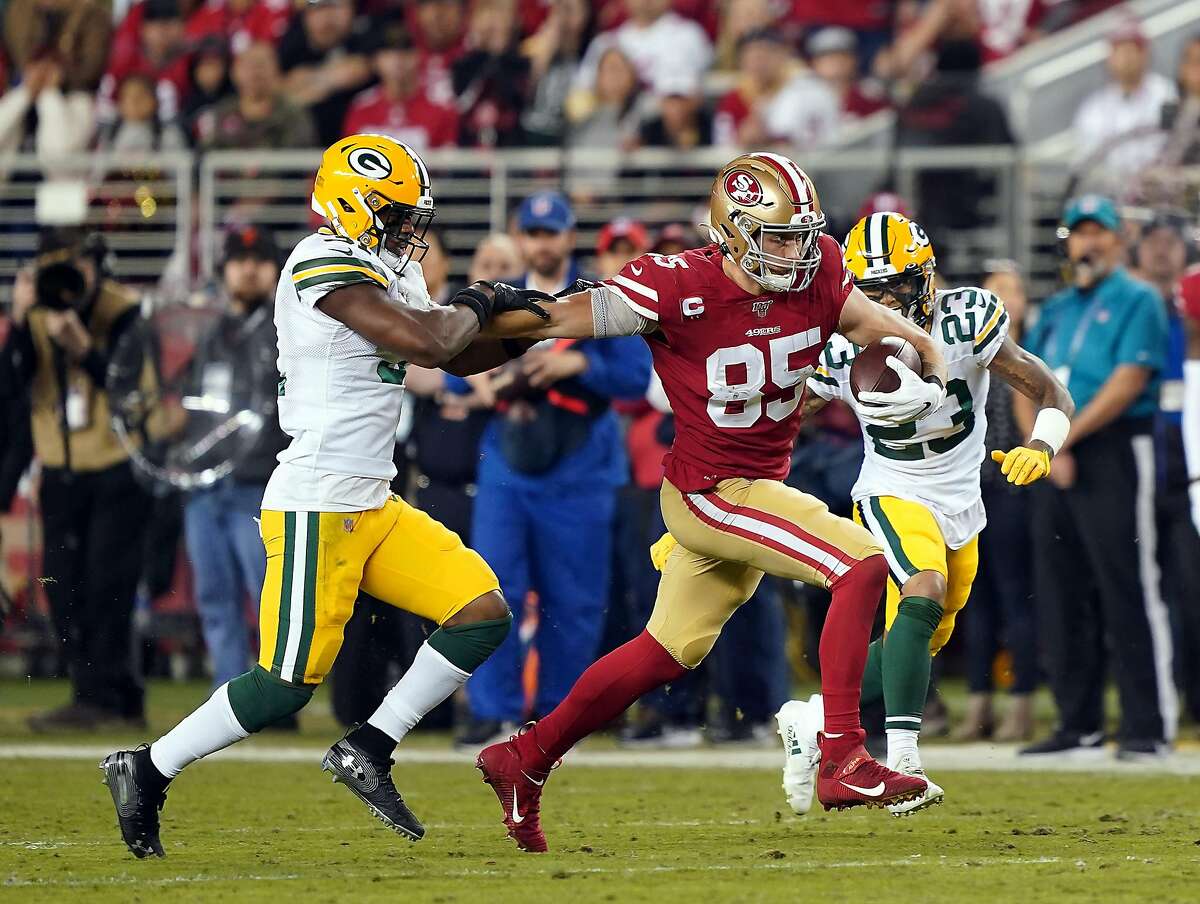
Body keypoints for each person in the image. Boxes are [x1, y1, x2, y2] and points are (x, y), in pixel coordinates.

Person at [476, 152, 949, 852]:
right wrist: (475, 321)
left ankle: (525, 757)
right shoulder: (678, 285)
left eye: (799, 236)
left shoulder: (818, 267)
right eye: (776, 238)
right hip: (710, 492)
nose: (793, 252)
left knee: (666, 651)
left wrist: (922, 362)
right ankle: (844, 756)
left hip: (748, 487)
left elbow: (875, 325)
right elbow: (566, 317)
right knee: (862, 567)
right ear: (731, 232)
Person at [99, 134, 555, 858]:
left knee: (480, 615)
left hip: (371, 499)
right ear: (351, 202)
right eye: (396, 212)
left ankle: (370, 745)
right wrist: (478, 300)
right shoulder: (320, 259)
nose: (409, 228)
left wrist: (536, 324)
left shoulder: (383, 266)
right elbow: (431, 342)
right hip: (319, 499)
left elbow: (458, 350)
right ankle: (146, 769)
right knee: (284, 685)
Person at [775, 212, 1072, 816]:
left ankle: (810, 721)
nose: (884, 302)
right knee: (923, 589)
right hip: (890, 488)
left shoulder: (968, 319)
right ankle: (903, 757)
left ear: (927, 277)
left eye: (896, 285)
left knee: (925, 634)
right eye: (870, 290)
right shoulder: (840, 343)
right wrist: (716, 492)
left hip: (963, 498)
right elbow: (775, 418)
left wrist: (1042, 445)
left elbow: (1050, 391)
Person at [456, 192, 653, 745]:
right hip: (509, 465)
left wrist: (578, 361)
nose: (543, 244)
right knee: (492, 592)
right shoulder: (493, 299)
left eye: (553, 233)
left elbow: (636, 378)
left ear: (569, 237)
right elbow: (448, 365)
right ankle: (492, 712)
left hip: (581, 469)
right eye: (534, 233)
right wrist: (484, 379)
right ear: (521, 237)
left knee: (575, 600)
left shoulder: (602, 297)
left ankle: (557, 717)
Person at [1021, 195, 1174, 760]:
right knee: (1061, 590)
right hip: (1053, 452)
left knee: (1127, 583)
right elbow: (1025, 379)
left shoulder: (1139, 299)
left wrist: (1062, 438)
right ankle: (1076, 722)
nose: (1088, 244)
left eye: (1098, 234)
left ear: (1120, 239)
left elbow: (1128, 381)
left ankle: (1146, 726)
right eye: (1079, 234)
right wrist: (1040, 444)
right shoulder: (1058, 307)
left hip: (1110, 449)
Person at [0, 229, 151, 731]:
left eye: (76, 267)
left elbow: (135, 391)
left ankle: (108, 697)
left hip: (116, 470)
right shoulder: (35, 315)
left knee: (108, 587)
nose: (66, 280)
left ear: (96, 266)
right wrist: (20, 324)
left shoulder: (125, 310)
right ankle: (105, 695)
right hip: (60, 475)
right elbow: (11, 392)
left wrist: (85, 349)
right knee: (62, 589)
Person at [183, 226, 290, 689]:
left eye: (259, 259)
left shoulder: (288, 327)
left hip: (258, 483)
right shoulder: (209, 332)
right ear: (223, 270)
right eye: (238, 259)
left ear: (275, 270)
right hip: (208, 485)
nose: (248, 268)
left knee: (266, 594)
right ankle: (228, 693)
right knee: (214, 595)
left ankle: (272, 694)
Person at [955, 262, 1041, 742]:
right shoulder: (968, 350)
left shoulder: (1030, 355)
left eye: (1013, 289)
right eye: (995, 291)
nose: (1005, 297)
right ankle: (978, 703)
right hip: (972, 486)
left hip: (1013, 488)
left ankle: (1022, 703)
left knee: (1014, 595)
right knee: (975, 598)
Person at [1142, 222, 1200, 723]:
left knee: (1189, 589)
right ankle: (1157, 700)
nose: (1162, 251)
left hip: (1186, 466)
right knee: (1146, 590)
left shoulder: (1191, 304)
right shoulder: (1134, 306)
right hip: (1142, 458)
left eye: (1171, 243)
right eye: (1154, 242)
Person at [1073, 17, 1176, 185]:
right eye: (1118, 50)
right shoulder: (1094, 106)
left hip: (1156, 191)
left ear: (1144, 53)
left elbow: (1171, 149)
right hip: (1110, 192)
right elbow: (1085, 160)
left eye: (1131, 50)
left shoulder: (1166, 93)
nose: (1125, 58)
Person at [342, 16, 458, 151]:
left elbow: (448, 165)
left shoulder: (440, 108)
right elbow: (348, 159)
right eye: (388, 53)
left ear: (419, 56)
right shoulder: (361, 107)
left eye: (406, 51)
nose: (398, 60)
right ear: (375, 61)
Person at [713, 29, 840, 151]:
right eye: (752, 56)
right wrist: (742, 140)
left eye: (766, 54)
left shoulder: (808, 89)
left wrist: (768, 136)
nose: (759, 63)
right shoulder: (733, 99)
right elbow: (722, 149)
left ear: (783, 55)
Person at [276, 0, 371, 145]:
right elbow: (278, 93)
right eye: (318, 8)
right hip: (302, 148)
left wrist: (309, 83)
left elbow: (357, 71)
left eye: (335, 7)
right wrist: (331, 78)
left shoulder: (364, 36)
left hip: (355, 144)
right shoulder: (292, 44)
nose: (327, 17)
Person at [195, 39, 316, 150]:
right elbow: (207, 154)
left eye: (262, 64)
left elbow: (299, 156)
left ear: (276, 70)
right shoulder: (222, 113)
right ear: (234, 72)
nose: (256, 72)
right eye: (249, 65)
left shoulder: (293, 113)